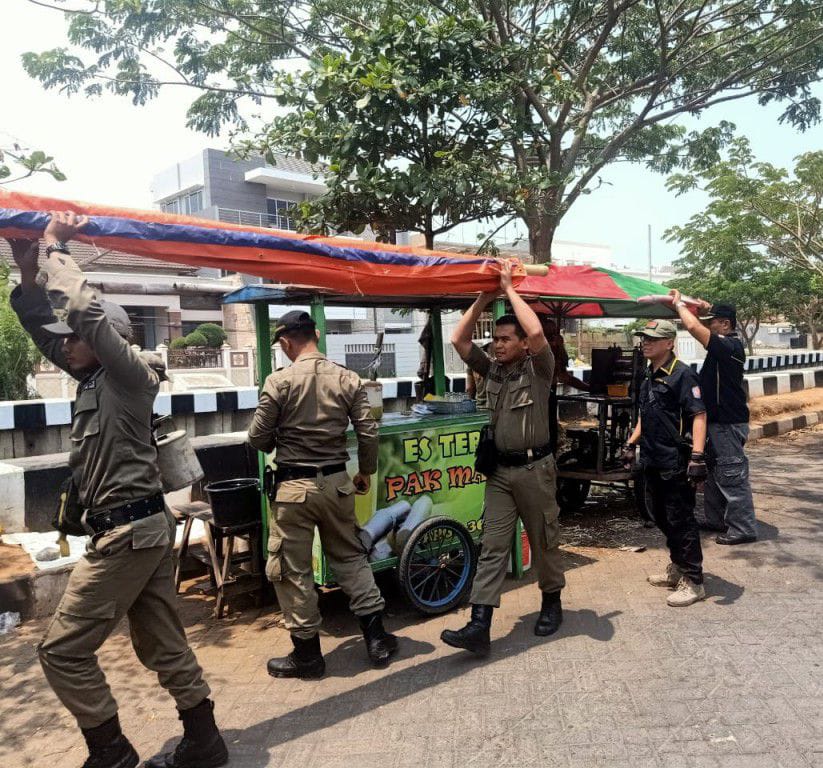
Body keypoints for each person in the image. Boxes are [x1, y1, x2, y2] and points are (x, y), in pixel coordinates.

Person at [8, 212, 227, 768]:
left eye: (76, 338)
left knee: (62, 651)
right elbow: (42, 326)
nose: (65, 345)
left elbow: (83, 311)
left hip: (128, 534)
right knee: (162, 643)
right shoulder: (93, 379)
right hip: (141, 529)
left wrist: (55, 246)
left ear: (104, 341)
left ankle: (111, 753)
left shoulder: (129, 376)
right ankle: (205, 741)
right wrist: (28, 273)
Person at [247, 310, 398, 679]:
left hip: (293, 491)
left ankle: (308, 657)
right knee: (351, 559)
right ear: (316, 334)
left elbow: (257, 439)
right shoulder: (348, 378)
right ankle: (377, 639)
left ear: (286, 342)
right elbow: (369, 432)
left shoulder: (278, 382)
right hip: (337, 485)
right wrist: (365, 472)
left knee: (293, 571)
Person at [441, 261, 563, 656]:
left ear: (523, 344)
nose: (497, 345)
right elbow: (458, 339)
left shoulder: (540, 368)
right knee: (492, 546)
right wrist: (484, 297)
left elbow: (537, 332)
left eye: (506, 339)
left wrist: (510, 289)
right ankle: (480, 625)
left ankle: (551, 602)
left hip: (534, 470)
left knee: (543, 541)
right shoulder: (492, 371)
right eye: (494, 339)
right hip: (499, 473)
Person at [621, 320, 709, 607]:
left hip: (675, 461)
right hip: (652, 458)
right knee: (658, 515)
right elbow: (647, 414)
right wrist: (631, 443)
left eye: (653, 338)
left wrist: (697, 457)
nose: (645, 342)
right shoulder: (648, 374)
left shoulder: (682, 375)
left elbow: (698, 414)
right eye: (644, 338)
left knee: (681, 519)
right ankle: (678, 566)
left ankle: (694, 581)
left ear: (670, 343)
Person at [669, 290, 757, 545]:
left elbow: (693, 328)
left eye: (713, 322)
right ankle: (716, 519)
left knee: (731, 474)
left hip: (727, 423)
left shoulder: (729, 346)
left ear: (725, 324)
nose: (708, 326)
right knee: (714, 474)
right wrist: (700, 309)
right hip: (716, 422)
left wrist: (679, 305)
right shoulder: (721, 348)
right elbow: (700, 325)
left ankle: (743, 528)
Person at [540, 316, 589, 454]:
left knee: (550, 434)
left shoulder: (557, 351)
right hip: (536, 401)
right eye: (549, 336)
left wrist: (590, 387)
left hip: (550, 397)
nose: (555, 340)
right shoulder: (535, 355)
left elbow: (564, 376)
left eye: (554, 335)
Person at [465, 341, 493, 408]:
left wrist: (469, 406)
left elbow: (469, 388)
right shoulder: (503, 365)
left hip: (480, 406)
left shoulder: (472, 365)